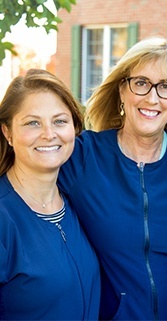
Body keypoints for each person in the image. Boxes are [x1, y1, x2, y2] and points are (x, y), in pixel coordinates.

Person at [58, 37, 167, 320]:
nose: (152, 98)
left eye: (166, 86)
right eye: (141, 83)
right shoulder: (83, 156)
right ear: (122, 90)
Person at [0, 69, 100, 320]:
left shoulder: (76, 203)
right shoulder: (3, 217)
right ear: (7, 133)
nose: (48, 133)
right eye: (33, 122)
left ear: (75, 129)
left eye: (59, 121)